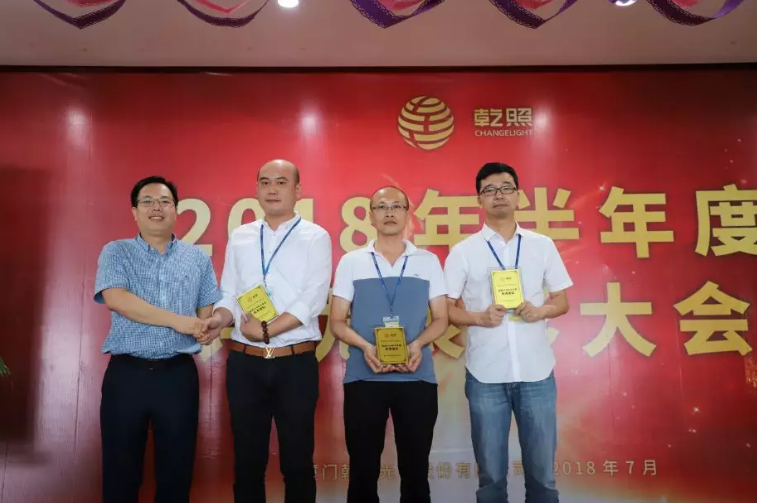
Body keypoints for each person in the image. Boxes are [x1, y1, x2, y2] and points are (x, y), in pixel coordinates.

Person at [202, 159, 331, 503]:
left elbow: (313, 298)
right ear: (257, 189)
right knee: (247, 462)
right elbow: (230, 291)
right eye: (265, 182)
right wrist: (219, 319)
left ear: (298, 191)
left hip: (295, 364)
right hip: (246, 364)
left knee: (297, 462)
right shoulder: (241, 236)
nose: (272, 189)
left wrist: (267, 329)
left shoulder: (316, 237)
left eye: (281, 182)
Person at [444, 163, 572, 503]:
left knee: (543, 478)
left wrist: (540, 311)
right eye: (489, 189)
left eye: (505, 187)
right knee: (491, 479)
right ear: (479, 199)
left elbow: (562, 301)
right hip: (485, 375)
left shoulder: (542, 245)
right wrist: (478, 317)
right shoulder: (463, 251)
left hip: (537, 373)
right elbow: (446, 310)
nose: (498, 194)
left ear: (518, 195)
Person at [94, 175, 222, 503]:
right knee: (120, 473)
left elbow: (204, 315)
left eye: (165, 201)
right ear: (134, 212)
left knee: (176, 474)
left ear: (176, 210)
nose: (157, 207)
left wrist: (208, 327)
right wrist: (179, 321)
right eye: (147, 201)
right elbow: (117, 299)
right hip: (127, 374)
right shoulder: (116, 251)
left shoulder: (197, 259)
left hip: (177, 376)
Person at [330, 186, 449, 503]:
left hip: (416, 376)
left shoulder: (428, 261)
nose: (389, 212)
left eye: (397, 206)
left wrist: (418, 344)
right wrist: (366, 347)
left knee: (415, 471)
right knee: (362, 470)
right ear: (370, 216)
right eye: (381, 207)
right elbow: (337, 321)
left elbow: (441, 318)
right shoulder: (352, 262)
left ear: (408, 214)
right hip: (364, 376)